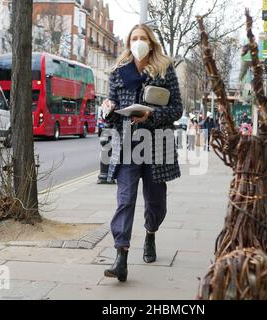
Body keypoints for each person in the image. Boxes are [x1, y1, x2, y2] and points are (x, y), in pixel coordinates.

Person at [101, 24, 183, 282]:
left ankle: (150, 233)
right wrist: (109, 109)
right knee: (125, 199)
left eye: (142, 38)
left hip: (156, 143)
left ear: (151, 42)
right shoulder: (118, 72)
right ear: (129, 42)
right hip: (128, 144)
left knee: (155, 200)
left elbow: (177, 109)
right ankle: (121, 257)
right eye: (134, 38)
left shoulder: (164, 69)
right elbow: (111, 117)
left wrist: (152, 114)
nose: (138, 42)